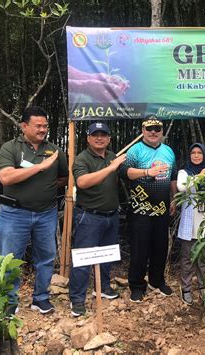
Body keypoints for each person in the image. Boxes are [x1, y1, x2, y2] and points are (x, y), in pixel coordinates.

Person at [0, 106, 68, 314]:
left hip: (46, 213)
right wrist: (40, 167)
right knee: (9, 260)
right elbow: (6, 177)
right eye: (38, 125)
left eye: (45, 126)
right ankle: (9, 302)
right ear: (24, 126)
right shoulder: (10, 148)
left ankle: (41, 298)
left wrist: (45, 187)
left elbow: (63, 178)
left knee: (46, 257)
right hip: (13, 214)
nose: (43, 129)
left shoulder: (54, 150)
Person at [69, 122, 126, 317]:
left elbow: (125, 174)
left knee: (106, 256)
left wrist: (146, 172)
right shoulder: (82, 159)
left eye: (103, 135)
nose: (99, 138)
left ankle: (102, 288)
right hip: (89, 217)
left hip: (111, 215)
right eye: (95, 135)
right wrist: (111, 168)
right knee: (83, 259)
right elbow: (82, 182)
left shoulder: (112, 157)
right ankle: (77, 299)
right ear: (88, 138)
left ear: (109, 138)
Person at [120, 115, 177, 302]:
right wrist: (146, 172)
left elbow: (173, 177)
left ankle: (157, 281)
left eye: (157, 129)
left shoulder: (168, 151)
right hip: (140, 209)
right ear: (143, 130)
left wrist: (174, 199)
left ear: (161, 132)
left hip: (162, 209)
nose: (153, 132)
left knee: (160, 247)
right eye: (149, 128)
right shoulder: (135, 150)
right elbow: (125, 173)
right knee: (139, 249)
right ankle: (136, 285)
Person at [176, 143, 205, 305]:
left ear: (204, 155)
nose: (196, 155)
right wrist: (201, 175)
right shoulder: (184, 172)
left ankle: (203, 287)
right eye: (193, 152)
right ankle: (186, 289)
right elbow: (182, 187)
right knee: (187, 258)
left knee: (204, 258)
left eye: (199, 153)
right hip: (190, 221)